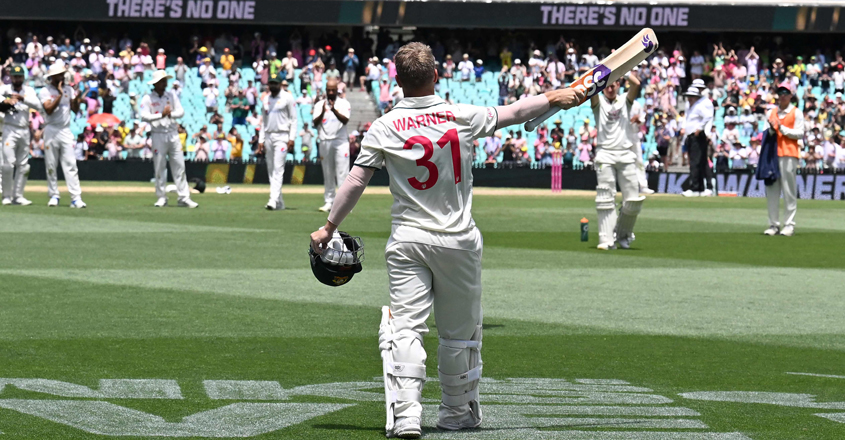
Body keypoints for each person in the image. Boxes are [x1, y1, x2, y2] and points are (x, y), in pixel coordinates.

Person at [308, 42, 582, 439]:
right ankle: (456, 413)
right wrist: (554, 95)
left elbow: (354, 181)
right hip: (457, 239)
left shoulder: (383, 127)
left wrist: (328, 227)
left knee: (406, 329)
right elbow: (517, 112)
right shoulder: (461, 115)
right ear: (436, 75)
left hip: (407, 240)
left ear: (397, 82)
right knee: (459, 334)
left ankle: (406, 415)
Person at [590, 72, 645, 250]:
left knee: (633, 200)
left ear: (619, 84)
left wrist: (622, 69)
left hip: (625, 153)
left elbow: (636, 84)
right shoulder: (599, 102)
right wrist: (603, 72)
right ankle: (606, 239)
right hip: (605, 154)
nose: (610, 87)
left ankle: (622, 235)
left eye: (614, 84)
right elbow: (590, 89)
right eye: (607, 84)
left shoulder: (624, 101)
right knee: (606, 197)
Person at [140, 70, 197, 208]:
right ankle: (161, 197)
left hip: (173, 133)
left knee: (179, 166)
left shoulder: (171, 95)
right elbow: (144, 116)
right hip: (158, 134)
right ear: (156, 83)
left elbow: (181, 111)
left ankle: (184, 197)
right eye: (162, 81)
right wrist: (161, 115)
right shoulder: (148, 98)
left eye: (165, 80)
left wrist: (170, 114)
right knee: (159, 167)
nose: (164, 83)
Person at [39, 63, 86, 208]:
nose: (62, 77)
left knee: (71, 164)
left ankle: (76, 198)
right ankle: (54, 195)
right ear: (52, 77)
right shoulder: (45, 91)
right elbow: (48, 110)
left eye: (62, 74)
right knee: (51, 165)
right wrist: (59, 94)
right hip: (51, 129)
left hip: (65, 130)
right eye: (59, 75)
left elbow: (75, 109)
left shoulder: (69, 89)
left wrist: (77, 98)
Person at [764, 82, 803, 237]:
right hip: (772, 154)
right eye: (780, 93)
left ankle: (789, 225)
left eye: (785, 93)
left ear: (791, 95)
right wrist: (772, 129)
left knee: (789, 191)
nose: (782, 96)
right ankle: (773, 225)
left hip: (789, 153)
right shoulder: (772, 112)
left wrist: (781, 128)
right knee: (772, 191)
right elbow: (768, 134)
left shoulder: (796, 112)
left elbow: (799, 133)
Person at [0, 65, 41, 205]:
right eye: (14, 76)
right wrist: (6, 101)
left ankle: (18, 196)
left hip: (24, 129)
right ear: (10, 77)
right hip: (9, 128)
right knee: (8, 164)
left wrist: (22, 99)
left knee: (24, 165)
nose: (17, 79)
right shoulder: (5, 89)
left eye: (19, 76)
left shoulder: (28, 90)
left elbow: (38, 106)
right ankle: (6, 196)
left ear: (23, 77)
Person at [312, 77, 351, 212]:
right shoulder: (319, 105)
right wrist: (323, 111)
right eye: (328, 90)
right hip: (324, 140)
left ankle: (344, 204)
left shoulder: (344, 103)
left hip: (340, 141)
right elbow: (314, 123)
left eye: (333, 90)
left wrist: (333, 110)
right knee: (328, 173)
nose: (330, 92)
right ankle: (329, 201)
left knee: (342, 173)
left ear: (337, 90)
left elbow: (345, 120)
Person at [259, 73, 297, 210]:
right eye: (271, 83)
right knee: (271, 169)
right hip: (269, 135)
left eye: (275, 83)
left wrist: (291, 138)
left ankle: (272, 200)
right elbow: (264, 121)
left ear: (280, 84)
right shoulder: (266, 99)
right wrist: (261, 139)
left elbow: (294, 119)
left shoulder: (287, 97)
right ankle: (279, 202)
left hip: (282, 136)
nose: (273, 86)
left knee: (278, 168)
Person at [681, 86, 715, 197]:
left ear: (696, 97)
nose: (689, 99)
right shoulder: (690, 107)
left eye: (691, 97)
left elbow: (708, 116)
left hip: (697, 137)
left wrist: (700, 128)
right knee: (696, 161)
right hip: (691, 136)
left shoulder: (699, 106)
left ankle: (695, 188)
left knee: (696, 162)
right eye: (688, 97)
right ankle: (699, 188)